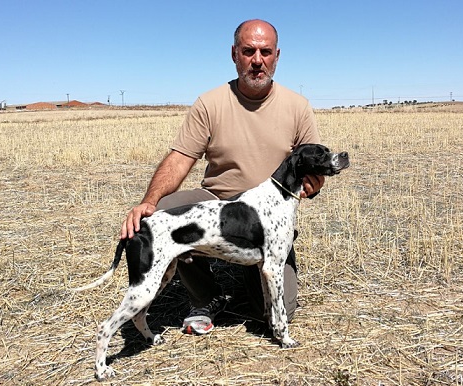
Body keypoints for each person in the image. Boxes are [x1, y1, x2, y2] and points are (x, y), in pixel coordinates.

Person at [121, 19, 324, 335]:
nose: (257, 60)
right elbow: (179, 159)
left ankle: (253, 271)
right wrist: (148, 202)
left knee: (278, 309)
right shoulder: (210, 103)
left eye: (265, 52)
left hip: (265, 220)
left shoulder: (298, 108)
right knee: (163, 211)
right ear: (234, 54)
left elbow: (310, 170)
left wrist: (313, 184)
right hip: (215, 204)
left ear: (277, 56)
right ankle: (206, 297)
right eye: (248, 51)